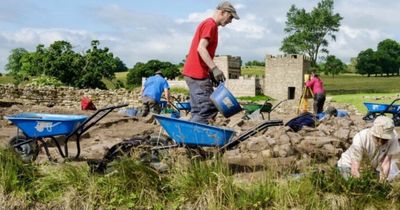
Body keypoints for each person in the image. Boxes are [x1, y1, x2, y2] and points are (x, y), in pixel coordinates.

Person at [182, 1, 239, 124]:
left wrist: (210, 72)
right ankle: (194, 136)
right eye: (230, 17)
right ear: (222, 12)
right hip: (197, 74)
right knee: (208, 109)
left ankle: (191, 138)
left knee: (199, 109)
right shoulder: (210, 24)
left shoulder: (210, 24)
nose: (230, 21)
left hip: (195, 72)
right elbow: (201, 48)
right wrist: (214, 68)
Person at [337, 116, 400, 181]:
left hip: (368, 168)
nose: (381, 142)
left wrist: (382, 182)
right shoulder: (361, 138)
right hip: (348, 165)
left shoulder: (393, 137)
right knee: (351, 182)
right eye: (378, 138)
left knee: (378, 183)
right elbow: (355, 168)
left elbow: (386, 162)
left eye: (385, 139)